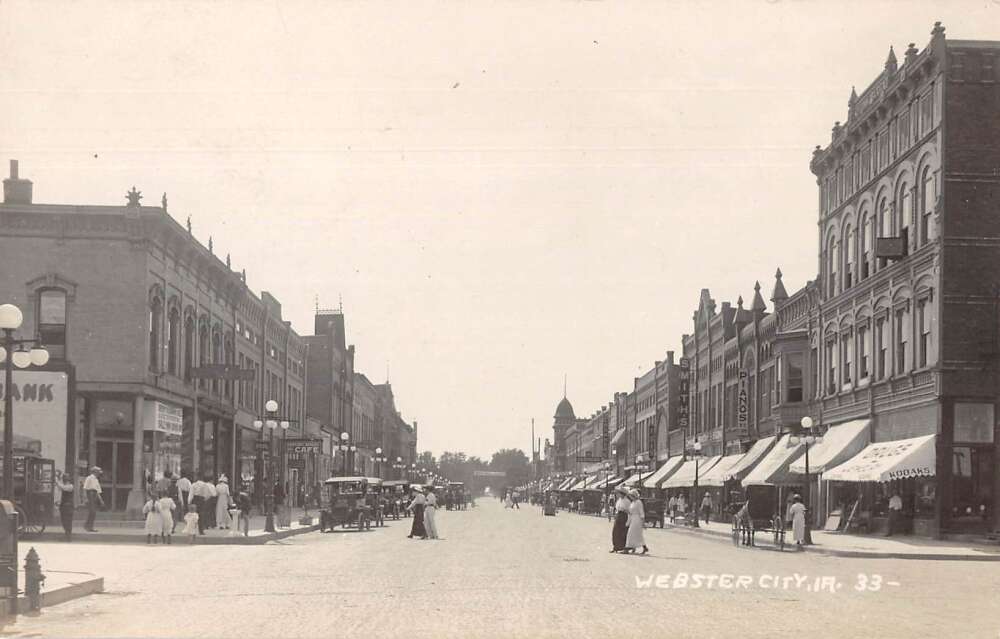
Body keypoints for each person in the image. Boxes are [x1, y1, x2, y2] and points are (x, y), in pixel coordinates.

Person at [625, 488, 649, 555]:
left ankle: (627, 548)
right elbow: (630, 511)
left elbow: (641, 512)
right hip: (633, 519)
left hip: (637, 519)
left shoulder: (638, 502)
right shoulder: (633, 503)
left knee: (630, 533)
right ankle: (643, 547)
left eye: (631, 496)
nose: (630, 497)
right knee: (637, 535)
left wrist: (643, 522)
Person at [55, 470, 75, 540]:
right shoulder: (66, 486)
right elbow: (61, 489)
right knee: (64, 522)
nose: (64, 480)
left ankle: (68, 537)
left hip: (68, 507)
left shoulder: (70, 486)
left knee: (67, 522)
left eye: (65, 479)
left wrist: (57, 480)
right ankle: (67, 536)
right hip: (64, 507)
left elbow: (63, 487)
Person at [610, 485, 631, 553]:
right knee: (615, 531)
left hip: (624, 516)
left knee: (622, 532)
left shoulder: (627, 501)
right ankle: (615, 547)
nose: (618, 494)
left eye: (619, 493)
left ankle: (622, 547)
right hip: (618, 515)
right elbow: (617, 508)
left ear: (622, 494)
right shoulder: (619, 500)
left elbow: (629, 510)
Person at [83, 466, 104, 532]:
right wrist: (85, 498)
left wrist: (101, 500)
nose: (99, 473)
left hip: (95, 495)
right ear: (95, 472)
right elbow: (85, 488)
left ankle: (89, 526)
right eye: (98, 472)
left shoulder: (96, 479)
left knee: (93, 512)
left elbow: (98, 491)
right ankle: (88, 526)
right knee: (92, 511)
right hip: (90, 494)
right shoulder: (89, 478)